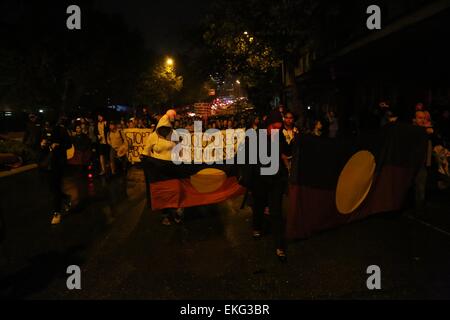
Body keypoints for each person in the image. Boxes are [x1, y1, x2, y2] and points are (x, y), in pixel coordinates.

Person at [243, 110, 289, 261]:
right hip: (260, 180)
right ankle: (257, 226)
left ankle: (280, 245)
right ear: (268, 125)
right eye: (274, 128)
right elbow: (249, 160)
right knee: (259, 205)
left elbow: (284, 151)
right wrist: (249, 181)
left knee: (276, 212)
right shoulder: (256, 137)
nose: (276, 131)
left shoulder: (280, 135)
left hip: (276, 180)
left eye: (279, 128)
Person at [142, 111, 184, 225]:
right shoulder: (153, 137)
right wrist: (146, 161)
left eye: (167, 128)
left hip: (172, 167)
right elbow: (146, 152)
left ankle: (176, 212)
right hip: (159, 170)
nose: (165, 131)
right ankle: (165, 215)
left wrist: (182, 160)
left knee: (175, 190)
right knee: (164, 193)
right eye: (163, 128)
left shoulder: (174, 134)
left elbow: (180, 150)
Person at [38, 117, 72, 225]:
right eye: (46, 126)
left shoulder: (61, 130)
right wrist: (42, 144)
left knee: (56, 188)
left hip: (58, 163)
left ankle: (57, 212)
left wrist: (59, 145)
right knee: (52, 189)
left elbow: (69, 145)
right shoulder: (44, 130)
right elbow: (39, 144)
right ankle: (66, 198)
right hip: (47, 163)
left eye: (49, 126)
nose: (47, 128)